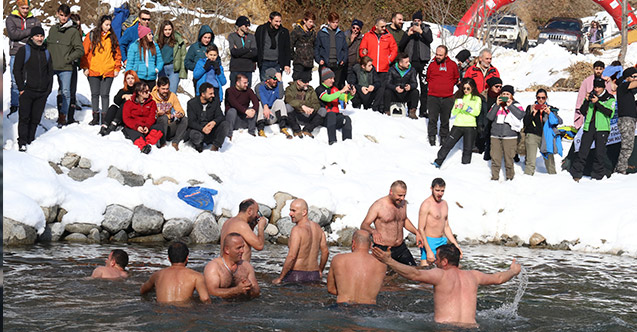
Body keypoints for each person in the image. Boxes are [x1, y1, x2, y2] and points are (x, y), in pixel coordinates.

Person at [372, 243, 521, 327]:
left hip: (446, 328)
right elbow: (499, 278)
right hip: (472, 328)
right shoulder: (474, 276)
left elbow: (413, 274)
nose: (434, 262)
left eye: (436, 259)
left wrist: (389, 261)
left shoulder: (440, 275)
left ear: (444, 262)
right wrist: (513, 271)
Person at [360, 180, 422, 266]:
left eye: (404, 195)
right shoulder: (379, 205)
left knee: (414, 272)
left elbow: (403, 220)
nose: (402, 198)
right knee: (383, 277)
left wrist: (417, 232)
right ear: (391, 192)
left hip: (401, 247)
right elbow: (364, 225)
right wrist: (373, 231)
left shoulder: (402, 203)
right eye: (400, 195)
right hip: (383, 248)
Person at [13, 26, 53, 152]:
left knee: (35, 118)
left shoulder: (46, 52)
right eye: (37, 36)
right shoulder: (24, 50)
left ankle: (31, 139)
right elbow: (16, 70)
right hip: (27, 90)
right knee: (24, 117)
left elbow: (50, 72)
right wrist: (21, 87)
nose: (40, 38)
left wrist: (48, 90)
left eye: (41, 36)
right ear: (32, 37)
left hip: (42, 92)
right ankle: (22, 141)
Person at [570, 78, 616, 181]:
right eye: (595, 87)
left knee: (599, 153)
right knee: (583, 151)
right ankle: (576, 173)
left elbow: (609, 113)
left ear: (603, 87)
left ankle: (597, 175)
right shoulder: (591, 96)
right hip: (589, 126)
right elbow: (582, 111)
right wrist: (587, 101)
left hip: (602, 128)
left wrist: (597, 102)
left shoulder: (609, 97)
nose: (597, 89)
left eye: (599, 87)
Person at [273, 199, 329, 284]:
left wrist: (280, 278)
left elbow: (292, 256)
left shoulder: (297, 230)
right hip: (314, 275)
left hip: (296, 275)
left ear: (304, 212)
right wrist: (320, 270)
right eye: (290, 210)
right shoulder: (317, 228)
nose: (290, 214)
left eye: (293, 211)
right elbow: (325, 252)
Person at [81, 15, 122, 126]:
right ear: (101, 24)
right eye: (106, 25)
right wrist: (85, 67)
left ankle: (105, 117)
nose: (108, 27)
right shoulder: (91, 35)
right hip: (93, 69)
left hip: (108, 70)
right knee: (95, 94)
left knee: (105, 94)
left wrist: (117, 67)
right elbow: (84, 53)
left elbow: (117, 54)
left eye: (109, 25)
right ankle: (95, 117)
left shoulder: (112, 37)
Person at [327, 229, 387, 304]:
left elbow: (330, 289)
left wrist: (345, 293)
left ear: (353, 243)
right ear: (371, 245)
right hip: (368, 309)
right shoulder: (381, 264)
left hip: (343, 308)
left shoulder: (338, 259)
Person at [47, 4, 84, 127]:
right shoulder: (53, 29)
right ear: (57, 14)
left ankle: (63, 116)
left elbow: (80, 50)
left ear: (69, 16)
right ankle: (39, 114)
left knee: (66, 92)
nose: (63, 18)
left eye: (66, 15)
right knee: (44, 89)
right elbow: (47, 46)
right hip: (51, 66)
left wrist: (68, 59)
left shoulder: (73, 31)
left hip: (66, 68)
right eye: (61, 15)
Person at [432, 78, 481, 168]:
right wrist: (458, 107)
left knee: (467, 149)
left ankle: (465, 167)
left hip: (470, 126)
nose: (465, 90)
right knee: (447, 144)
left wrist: (465, 107)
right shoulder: (459, 97)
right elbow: (454, 112)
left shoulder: (476, 98)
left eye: (468, 88)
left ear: (473, 88)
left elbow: (476, 112)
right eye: (464, 88)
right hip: (458, 125)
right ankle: (438, 162)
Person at [140, 241, 210, 303]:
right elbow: (205, 299)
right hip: (184, 313)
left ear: (169, 259)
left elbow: (143, 290)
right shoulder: (196, 276)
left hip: (162, 313)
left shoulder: (157, 275)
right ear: (187, 258)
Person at [6, 0, 41, 116]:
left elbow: (37, 35)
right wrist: (30, 31)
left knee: (30, 79)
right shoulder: (11, 19)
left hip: (30, 52)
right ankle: (15, 105)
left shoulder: (34, 20)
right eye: (23, 8)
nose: (25, 11)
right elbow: (13, 34)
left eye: (27, 8)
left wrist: (23, 34)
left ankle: (27, 104)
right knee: (15, 80)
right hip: (15, 52)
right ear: (18, 7)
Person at [417, 178, 462, 266]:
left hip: (442, 242)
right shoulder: (426, 204)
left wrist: (456, 246)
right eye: (437, 190)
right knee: (426, 275)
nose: (440, 193)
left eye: (442, 191)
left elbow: (446, 227)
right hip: (429, 241)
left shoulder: (444, 204)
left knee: (449, 271)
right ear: (431, 189)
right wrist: (428, 250)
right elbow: (421, 229)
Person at [203, 233, 260, 299]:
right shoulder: (213, 267)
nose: (242, 251)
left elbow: (257, 291)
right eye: (238, 248)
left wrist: (249, 287)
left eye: (243, 247)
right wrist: (236, 290)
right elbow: (211, 292)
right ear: (227, 250)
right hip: (221, 307)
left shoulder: (246, 266)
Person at [487, 85, 525, 181]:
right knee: (495, 159)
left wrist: (510, 105)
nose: (505, 96)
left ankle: (510, 178)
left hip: (510, 136)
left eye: (507, 94)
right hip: (495, 135)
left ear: (511, 95)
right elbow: (490, 117)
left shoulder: (516, 104)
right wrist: (496, 104)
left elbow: (520, 115)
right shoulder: (496, 104)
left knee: (509, 160)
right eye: (503, 94)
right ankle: (495, 177)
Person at [523, 89, 563, 175]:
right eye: (538, 98)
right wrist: (533, 114)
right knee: (530, 160)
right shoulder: (530, 108)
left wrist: (550, 113)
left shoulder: (550, 109)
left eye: (543, 98)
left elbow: (559, 121)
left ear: (546, 98)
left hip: (546, 137)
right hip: (532, 135)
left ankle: (553, 177)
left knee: (550, 160)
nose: (541, 100)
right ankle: (527, 178)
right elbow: (525, 123)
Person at [426, 45, 460, 146]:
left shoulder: (453, 65)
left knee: (445, 119)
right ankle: (431, 137)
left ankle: (444, 137)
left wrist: (447, 86)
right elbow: (428, 77)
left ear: (446, 55)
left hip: (447, 97)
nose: (438, 56)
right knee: (432, 119)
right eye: (436, 54)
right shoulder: (432, 64)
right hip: (433, 96)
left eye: (440, 55)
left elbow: (456, 78)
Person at [403, 11, 433, 118]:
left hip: (423, 62)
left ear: (421, 21)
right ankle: (411, 108)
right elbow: (401, 45)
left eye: (418, 21)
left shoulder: (426, 29)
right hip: (411, 63)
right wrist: (408, 35)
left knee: (424, 87)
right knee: (411, 86)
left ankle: (423, 110)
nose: (416, 23)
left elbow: (430, 40)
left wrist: (421, 32)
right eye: (415, 21)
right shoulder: (408, 30)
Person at [122, 81, 164, 154]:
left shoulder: (152, 102)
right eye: (146, 91)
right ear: (139, 92)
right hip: (133, 126)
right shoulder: (129, 103)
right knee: (135, 134)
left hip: (146, 126)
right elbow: (126, 118)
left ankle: (149, 142)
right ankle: (143, 146)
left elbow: (152, 116)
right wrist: (136, 126)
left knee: (159, 128)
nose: (149, 93)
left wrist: (147, 126)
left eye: (149, 90)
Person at [187, 82, 230, 152]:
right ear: (203, 94)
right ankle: (198, 146)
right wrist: (202, 129)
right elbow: (191, 122)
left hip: (211, 129)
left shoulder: (215, 102)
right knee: (195, 135)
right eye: (210, 94)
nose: (213, 95)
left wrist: (214, 122)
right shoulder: (192, 103)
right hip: (199, 129)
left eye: (213, 93)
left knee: (225, 124)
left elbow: (221, 116)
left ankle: (215, 146)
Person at [316, 67, 354, 145]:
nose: (333, 80)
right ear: (324, 79)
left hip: (335, 116)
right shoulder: (319, 89)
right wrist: (341, 91)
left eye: (333, 78)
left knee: (347, 119)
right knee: (331, 114)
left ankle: (348, 141)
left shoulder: (334, 89)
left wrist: (351, 94)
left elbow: (344, 98)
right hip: (324, 117)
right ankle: (332, 140)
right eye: (330, 78)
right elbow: (328, 98)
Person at [254, 68, 293, 138]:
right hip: (263, 115)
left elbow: (280, 96)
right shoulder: (259, 86)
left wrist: (280, 82)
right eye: (274, 78)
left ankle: (283, 127)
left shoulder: (277, 85)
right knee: (260, 103)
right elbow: (261, 97)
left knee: (279, 101)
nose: (276, 80)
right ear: (268, 79)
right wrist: (265, 107)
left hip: (273, 115)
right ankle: (261, 129)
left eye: (277, 79)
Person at [151, 76, 188, 150]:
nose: (165, 91)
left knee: (185, 119)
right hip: (158, 125)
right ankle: (162, 142)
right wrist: (158, 114)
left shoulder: (172, 96)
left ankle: (175, 142)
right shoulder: (152, 96)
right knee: (163, 117)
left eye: (167, 89)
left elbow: (180, 109)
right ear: (158, 87)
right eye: (163, 89)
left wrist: (179, 114)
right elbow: (149, 114)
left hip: (169, 124)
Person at [285, 73, 326, 138]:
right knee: (287, 107)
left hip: (308, 114)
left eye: (308, 82)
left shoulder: (310, 89)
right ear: (298, 82)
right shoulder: (290, 89)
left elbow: (316, 103)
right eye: (305, 82)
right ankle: (296, 130)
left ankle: (308, 129)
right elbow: (289, 100)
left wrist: (313, 109)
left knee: (322, 110)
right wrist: (302, 106)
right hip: (296, 115)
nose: (307, 84)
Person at [574, 61, 613, 129]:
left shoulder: (606, 81)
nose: (598, 71)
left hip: (602, 112)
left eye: (600, 69)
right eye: (597, 69)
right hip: (590, 110)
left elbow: (609, 96)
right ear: (593, 69)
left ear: (603, 69)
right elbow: (581, 95)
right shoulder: (587, 81)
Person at [99, 69, 139, 136]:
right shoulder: (123, 90)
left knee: (125, 105)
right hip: (121, 114)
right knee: (113, 107)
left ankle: (114, 124)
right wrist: (123, 96)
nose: (130, 80)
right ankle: (105, 125)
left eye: (132, 78)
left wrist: (132, 97)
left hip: (132, 115)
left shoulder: (139, 90)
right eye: (128, 78)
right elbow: (116, 101)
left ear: (135, 79)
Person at [315, 12, 348, 89]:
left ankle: (335, 101)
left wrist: (343, 59)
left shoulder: (341, 34)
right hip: (325, 63)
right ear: (328, 22)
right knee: (324, 85)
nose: (335, 24)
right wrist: (318, 59)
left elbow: (345, 49)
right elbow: (316, 48)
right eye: (333, 22)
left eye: (336, 22)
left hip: (337, 64)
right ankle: (324, 100)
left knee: (336, 86)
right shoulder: (321, 33)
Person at [255, 11, 291, 82]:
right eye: (276, 21)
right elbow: (256, 45)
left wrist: (287, 64)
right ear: (270, 20)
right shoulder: (261, 29)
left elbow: (287, 49)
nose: (278, 24)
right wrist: (255, 60)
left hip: (277, 63)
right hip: (264, 62)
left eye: (280, 21)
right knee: (265, 83)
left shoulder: (284, 32)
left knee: (276, 83)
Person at [614, 67, 637, 174]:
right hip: (626, 120)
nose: (635, 79)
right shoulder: (622, 87)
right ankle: (620, 169)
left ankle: (621, 167)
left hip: (631, 119)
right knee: (626, 146)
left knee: (629, 145)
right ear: (627, 77)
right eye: (634, 77)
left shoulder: (630, 92)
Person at [125, 25, 162, 90]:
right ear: (144, 36)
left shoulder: (155, 46)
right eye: (149, 34)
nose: (152, 36)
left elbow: (160, 61)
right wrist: (128, 76)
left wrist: (156, 70)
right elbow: (130, 63)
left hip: (151, 78)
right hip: (138, 77)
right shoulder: (134, 46)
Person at [155, 20, 187, 93]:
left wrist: (182, 72)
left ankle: (171, 104)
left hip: (174, 68)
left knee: (172, 92)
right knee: (162, 91)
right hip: (161, 69)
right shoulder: (156, 40)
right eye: (165, 30)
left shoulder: (178, 40)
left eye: (169, 29)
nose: (167, 32)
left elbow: (183, 56)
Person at [384, 53, 419, 118]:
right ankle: (387, 111)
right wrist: (395, 88)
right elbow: (387, 83)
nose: (408, 63)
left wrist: (410, 86)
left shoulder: (412, 70)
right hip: (395, 93)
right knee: (387, 91)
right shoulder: (392, 69)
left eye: (408, 61)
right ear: (400, 63)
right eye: (406, 62)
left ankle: (412, 111)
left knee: (415, 91)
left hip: (406, 93)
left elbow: (415, 83)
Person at [184, 24, 216, 94]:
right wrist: (197, 67)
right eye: (205, 37)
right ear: (201, 36)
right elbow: (187, 62)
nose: (207, 40)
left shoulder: (213, 47)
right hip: (199, 77)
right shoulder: (194, 47)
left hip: (211, 76)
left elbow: (218, 60)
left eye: (209, 38)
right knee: (200, 98)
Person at [225, 73, 259, 138]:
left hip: (245, 118)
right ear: (238, 83)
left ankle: (251, 132)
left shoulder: (249, 90)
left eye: (247, 83)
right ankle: (229, 134)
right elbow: (234, 104)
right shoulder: (229, 91)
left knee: (252, 109)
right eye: (244, 83)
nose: (246, 85)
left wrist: (253, 110)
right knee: (232, 110)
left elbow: (256, 101)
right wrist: (245, 111)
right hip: (233, 120)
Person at [227, 16, 257, 87]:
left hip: (248, 68)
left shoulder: (251, 37)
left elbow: (254, 53)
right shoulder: (232, 36)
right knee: (234, 91)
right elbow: (234, 52)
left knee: (246, 91)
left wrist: (239, 51)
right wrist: (248, 50)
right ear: (240, 26)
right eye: (246, 25)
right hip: (235, 68)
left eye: (248, 26)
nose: (247, 27)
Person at [479, 77, 503, 159]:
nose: (499, 88)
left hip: (497, 122)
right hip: (485, 122)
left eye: (500, 87)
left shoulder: (502, 97)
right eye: (496, 86)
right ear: (491, 86)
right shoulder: (483, 96)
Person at [290, 11, 317, 84]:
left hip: (309, 62)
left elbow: (315, 45)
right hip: (299, 62)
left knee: (306, 85)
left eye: (312, 22)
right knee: (297, 83)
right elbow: (290, 44)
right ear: (304, 21)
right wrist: (294, 56)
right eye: (310, 22)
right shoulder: (297, 31)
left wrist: (313, 55)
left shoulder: (313, 33)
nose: (311, 24)